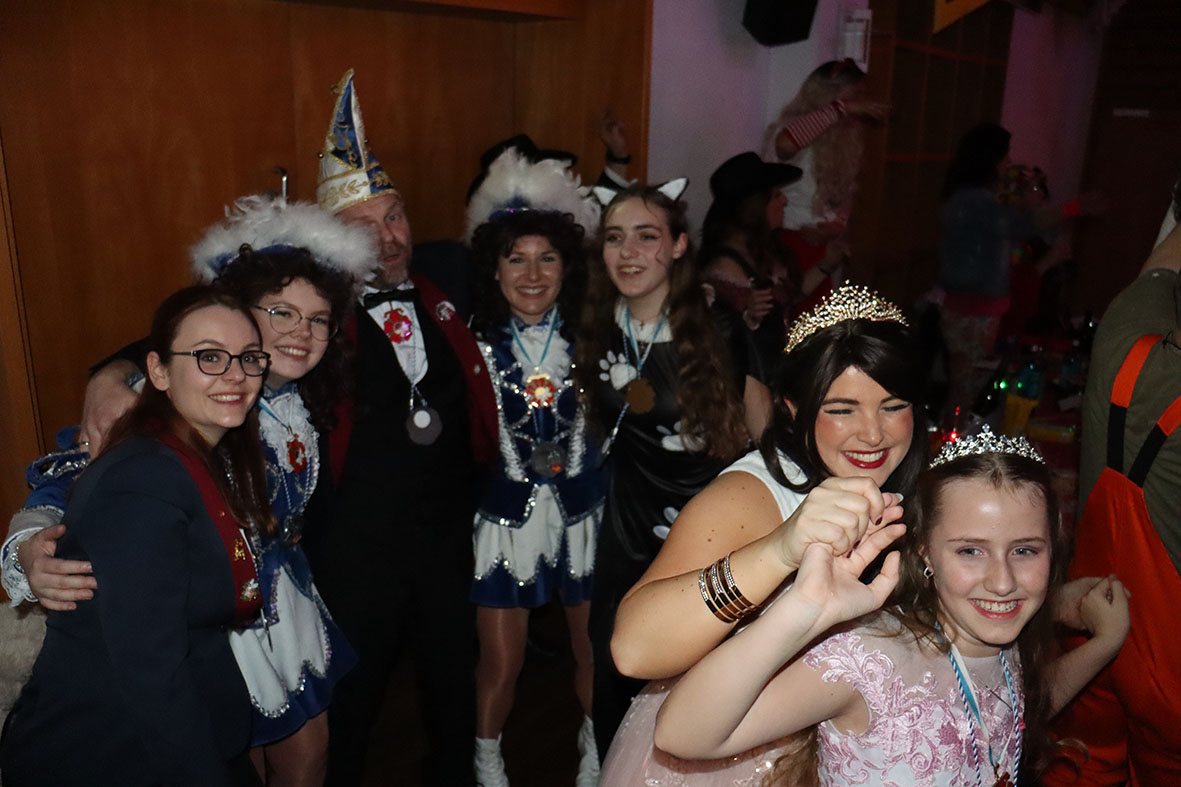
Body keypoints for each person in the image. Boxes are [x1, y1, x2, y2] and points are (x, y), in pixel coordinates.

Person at [1, 196, 377, 786]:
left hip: (286, 599)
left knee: (309, 756)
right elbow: (78, 473)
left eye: (318, 319)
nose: (301, 333)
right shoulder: (202, 405)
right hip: (218, 610)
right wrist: (27, 543)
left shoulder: (299, 395)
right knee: (237, 752)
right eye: (282, 313)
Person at [654, 429, 1130, 786]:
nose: (1002, 582)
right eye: (970, 551)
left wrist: (1103, 644)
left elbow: (1017, 709)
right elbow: (681, 735)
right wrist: (801, 610)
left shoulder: (1005, 640)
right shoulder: (870, 662)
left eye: (1025, 550)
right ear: (924, 551)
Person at [601, 284, 925, 783]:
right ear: (793, 409)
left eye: (892, 405)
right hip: (734, 758)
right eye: (841, 410)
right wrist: (780, 549)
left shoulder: (914, 489)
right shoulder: (752, 495)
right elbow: (633, 649)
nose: (873, 433)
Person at [300, 69, 498, 786]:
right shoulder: (307, 312)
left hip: (447, 537)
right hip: (356, 550)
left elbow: (545, 259)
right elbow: (203, 324)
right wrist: (118, 372)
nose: (387, 240)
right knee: (351, 704)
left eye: (395, 216)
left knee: (452, 682)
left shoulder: (449, 275)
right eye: (363, 229)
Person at [0, 286, 272, 785]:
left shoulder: (190, 454)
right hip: (113, 753)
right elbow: (150, 673)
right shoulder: (143, 478)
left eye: (249, 357)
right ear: (158, 371)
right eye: (210, 356)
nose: (235, 374)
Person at [573, 180, 771, 759]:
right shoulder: (597, 321)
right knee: (617, 653)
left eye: (647, 236)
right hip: (629, 517)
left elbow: (764, 424)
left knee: (702, 661)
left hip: (706, 522)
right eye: (615, 238)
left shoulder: (718, 326)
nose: (628, 252)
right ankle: (612, 765)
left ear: (680, 245)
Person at [463, 147, 604, 787]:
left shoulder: (594, 337)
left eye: (547, 258)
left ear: (566, 267)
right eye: (515, 258)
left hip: (583, 513)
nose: (532, 273)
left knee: (592, 649)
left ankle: (593, 746)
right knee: (503, 660)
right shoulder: (470, 345)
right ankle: (487, 759)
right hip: (505, 519)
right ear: (493, 269)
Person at [1044, 186, 1181, 784]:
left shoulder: (1125, 334)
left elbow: (1161, 264)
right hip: (1172, 672)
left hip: (1093, 625)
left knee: (1077, 765)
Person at [937, 123, 1101, 415]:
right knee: (969, 390)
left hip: (976, 312)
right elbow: (1018, 225)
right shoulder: (973, 201)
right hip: (972, 314)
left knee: (971, 386)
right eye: (1005, 156)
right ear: (990, 160)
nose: (1009, 162)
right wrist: (1074, 207)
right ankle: (955, 440)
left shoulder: (971, 198)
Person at [763, 58, 888, 315]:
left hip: (824, 250)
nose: (860, 106)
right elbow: (786, 144)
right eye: (854, 97)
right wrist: (842, 109)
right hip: (791, 245)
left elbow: (844, 198)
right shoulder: (795, 128)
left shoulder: (844, 140)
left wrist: (836, 226)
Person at [700, 151, 806, 370]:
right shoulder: (725, 267)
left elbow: (790, 296)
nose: (785, 201)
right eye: (776, 195)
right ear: (756, 207)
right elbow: (717, 335)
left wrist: (826, 265)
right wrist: (748, 315)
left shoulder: (767, 249)